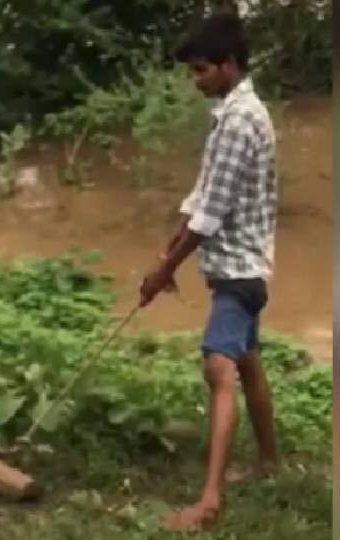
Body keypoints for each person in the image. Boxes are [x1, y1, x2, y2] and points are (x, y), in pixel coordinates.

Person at [138, 13, 279, 532]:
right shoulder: (230, 114)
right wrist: (168, 250)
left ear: (230, 65)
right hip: (243, 267)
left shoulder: (241, 121)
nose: (196, 80)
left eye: (202, 70)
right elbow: (201, 195)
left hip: (240, 272)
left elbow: (211, 213)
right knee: (247, 362)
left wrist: (164, 269)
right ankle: (269, 462)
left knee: (218, 367)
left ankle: (209, 502)